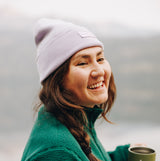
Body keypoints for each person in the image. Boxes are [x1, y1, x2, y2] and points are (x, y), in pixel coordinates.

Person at [21, 18, 130, 161]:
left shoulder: (71, 119)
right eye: (83, 63)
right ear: (57, 79)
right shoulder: (56, 153)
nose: (99, 71)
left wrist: (123, 156)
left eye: (100, 59)